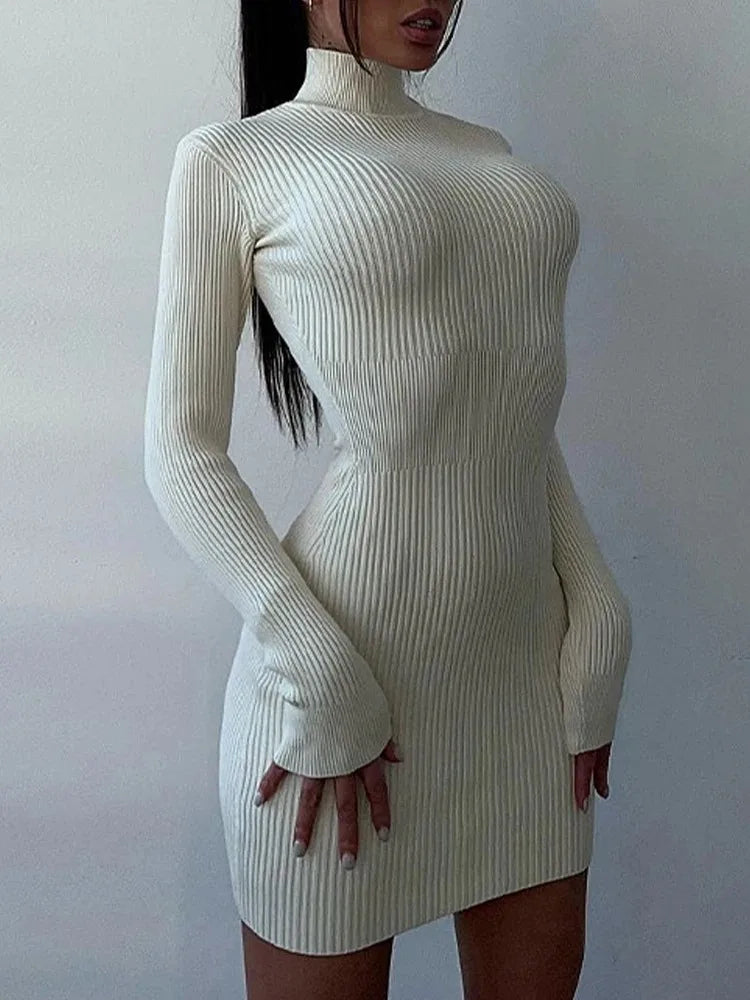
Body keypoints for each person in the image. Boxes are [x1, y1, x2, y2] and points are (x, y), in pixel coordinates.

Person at [143, 1, 633, 997]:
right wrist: (317, 663)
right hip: (340, 693)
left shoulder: (485, 152)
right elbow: (180, 450)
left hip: (526, 693)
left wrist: (598, 605)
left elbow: (509, 415)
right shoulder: (231, 161)